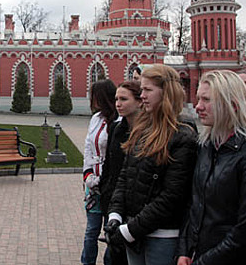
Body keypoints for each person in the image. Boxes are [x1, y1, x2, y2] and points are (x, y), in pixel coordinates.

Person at [177, 70, 246, 265]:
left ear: (232, 104)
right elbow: (194, 205)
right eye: (199, 98)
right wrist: (185, 250)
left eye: (206, 100)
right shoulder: (207, 147)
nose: (198, 107)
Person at [105, 64, 198, 265]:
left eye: (148, 90)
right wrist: (115, 216)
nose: (143, 95)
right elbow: (124, 178)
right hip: (133, 232)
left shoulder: (183, 136)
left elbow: (172, 196)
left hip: (162, 237)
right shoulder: (141, 130)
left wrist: (128, 231)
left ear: (166, 93)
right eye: (141, 90)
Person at [99, 80, 142, 265]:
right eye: (116, 99)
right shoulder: (116, 129)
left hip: (136, 210)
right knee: (113, 255)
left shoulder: (149, 133)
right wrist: (105, 191)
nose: (118, 103)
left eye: (123, 99)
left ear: (140, 101)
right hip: (114, 204)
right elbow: (109, 165)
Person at [81, 79, 119, 265]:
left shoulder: (120, 122)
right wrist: (88, 174)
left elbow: (115, 157)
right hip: (92, 184)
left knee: (110, 231)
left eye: (95, 97)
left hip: (110, 187)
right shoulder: (95, 119)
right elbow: (88, 147)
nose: (92, 101)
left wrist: (102, 180)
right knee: (91, 230)